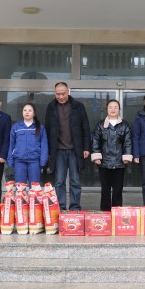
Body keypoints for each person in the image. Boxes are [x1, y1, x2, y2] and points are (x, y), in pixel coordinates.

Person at [45, 82, 91, 211]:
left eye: (63, 94)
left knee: (75, 181)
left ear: (68, 92)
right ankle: (60, 207)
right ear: (54, 93)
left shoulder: (78, 106)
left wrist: (86, 148)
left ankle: (75, 207)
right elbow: (47, 129)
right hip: (58, 150)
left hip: (75, 150)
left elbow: (85, 128)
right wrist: (48, 151)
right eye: (58, 94)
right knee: (59, 181)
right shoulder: (51, 107)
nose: (60, 96)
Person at [91, 99, 133, 211]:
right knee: (105, 190)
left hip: (119, 163)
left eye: (115, 107)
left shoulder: (124, 125)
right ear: (107, 109)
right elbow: (95, 141)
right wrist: (96, 157)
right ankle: (105, 214)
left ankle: (117, 214)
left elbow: (128, 142)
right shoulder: (100, 125)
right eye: (110, 107)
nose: (113, 109)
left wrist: (127, 156)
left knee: (117, 190)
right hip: (104, 163)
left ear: (119, 109)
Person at [7, 103, 49, 187]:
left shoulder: (40, 127)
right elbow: (11, 144)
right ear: (22, 112)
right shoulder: (16, 127)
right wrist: (10, 160)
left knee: (34, 188)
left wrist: (43, 160)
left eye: (30, 110)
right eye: (25, 110)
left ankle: (33, 197)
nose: (27, 112)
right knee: (20, 188)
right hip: (19, 161)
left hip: (34, 161)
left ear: (34, 113)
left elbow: (44, 144)